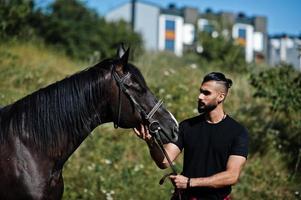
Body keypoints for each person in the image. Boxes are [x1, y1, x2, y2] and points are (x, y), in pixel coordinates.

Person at [134, 72, 249, 200]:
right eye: (200, 91)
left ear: (220, 97)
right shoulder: (187, 126)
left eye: (206, 93)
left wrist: (190, 182)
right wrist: (150, 141)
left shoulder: (237, 132)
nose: (200, 96)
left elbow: (232, 176)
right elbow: (165, 161)